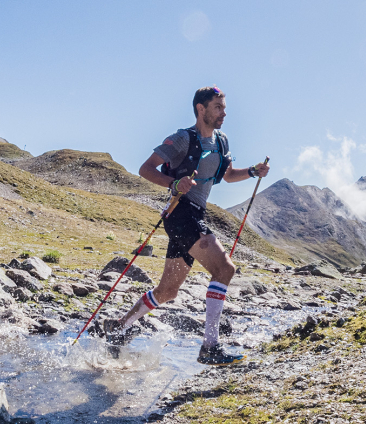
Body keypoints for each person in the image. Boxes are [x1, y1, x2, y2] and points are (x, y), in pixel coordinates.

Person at [104, 85, 269, 365]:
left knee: (168, 291)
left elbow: (227, 175)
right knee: (224, 269)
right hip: (180, 214)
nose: (224, 113)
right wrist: (174, 183)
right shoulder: (182, 139)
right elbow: (145, 169)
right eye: (218, 107)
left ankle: (118, 329)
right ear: (200, 109)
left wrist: (253, 172)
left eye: (224, 107)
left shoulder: (222, 141)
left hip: (195, 215)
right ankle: (210, 347)